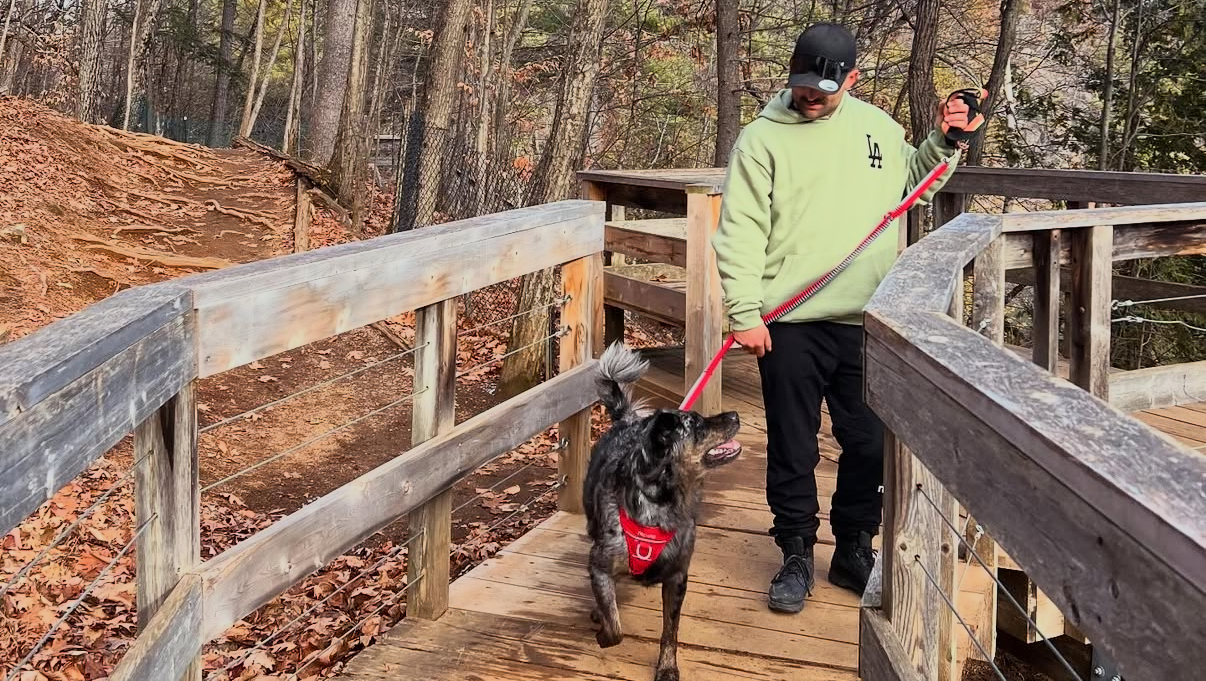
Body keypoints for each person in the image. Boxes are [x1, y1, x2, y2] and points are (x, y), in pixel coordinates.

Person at [710, 21, 984, 614]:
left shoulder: (877, 128)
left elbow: (915, 186)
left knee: (867, 442)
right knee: (792, 443)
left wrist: (946, 142)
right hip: (788, 320)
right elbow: (739, 233)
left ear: (851, 79)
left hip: (867, 319)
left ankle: (853, 547)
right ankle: (796, 553)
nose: (810, 95)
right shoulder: (761, 141)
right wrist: (744, 312)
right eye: (802, 84)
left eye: (824, 87)